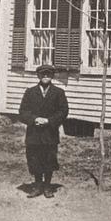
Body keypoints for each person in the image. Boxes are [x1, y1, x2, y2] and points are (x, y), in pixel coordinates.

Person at [18, 64, 69, 198]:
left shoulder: (58, 93)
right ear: (38, 76)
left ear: (52, 76)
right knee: (34, 159)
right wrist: (35, 119)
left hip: (49, 132)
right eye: (43, 74)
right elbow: (22, 112)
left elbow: (63, 111)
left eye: (48, 74)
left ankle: (47, 187)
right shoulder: (30, 92)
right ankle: (37, 186)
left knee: (49, 159)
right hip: (34, 133)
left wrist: (49, 121)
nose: (45, 77)